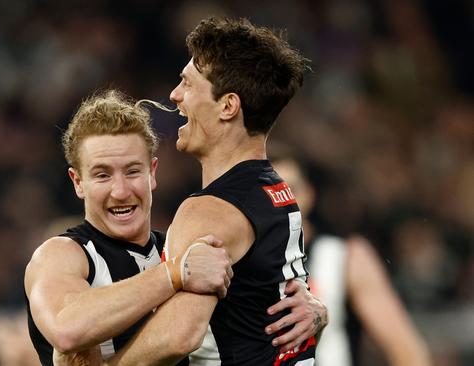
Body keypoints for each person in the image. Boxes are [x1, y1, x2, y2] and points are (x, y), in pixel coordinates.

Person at [24, 89, 327, 366]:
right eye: (102, 175)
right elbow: (67, 329)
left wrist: (314, 315)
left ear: (152, 173)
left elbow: (258, 328)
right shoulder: (61, 255)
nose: (120, 191)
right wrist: (174, 274)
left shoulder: (184, 248)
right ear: (78, 182)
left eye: (132, 172)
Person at [97, 17, 321, 365]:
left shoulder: (208, 211)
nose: (175, 96)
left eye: (187, 83)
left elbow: (179, 335)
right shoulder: (276, 191)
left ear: (228, 106)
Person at [270, 152, 432, 366]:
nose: (283, 202)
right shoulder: (235, 259)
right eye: (272, 193)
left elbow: (408, 352)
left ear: (309, 194)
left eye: (291, 190)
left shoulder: (344, 256)